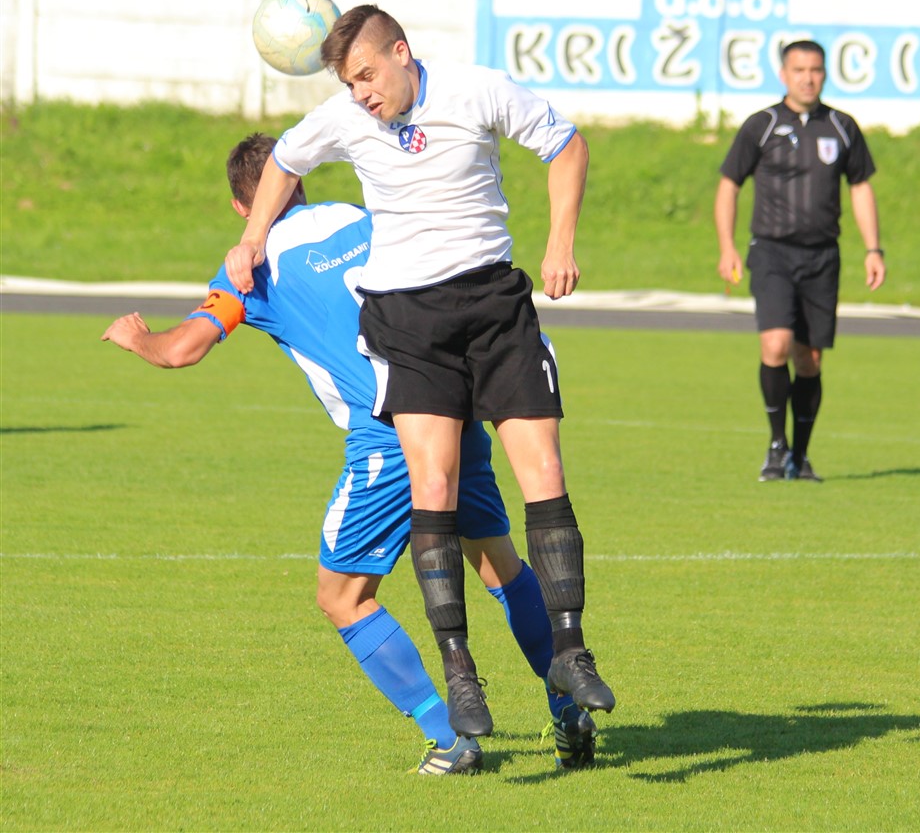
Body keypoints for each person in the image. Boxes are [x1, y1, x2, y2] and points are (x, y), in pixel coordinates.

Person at [102, 133, 598, 774]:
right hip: (453, 407)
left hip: (389, 435)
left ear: (241, 206)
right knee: (497, 562)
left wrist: (136, 337)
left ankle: (451, 739)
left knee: (341, 596)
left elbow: (181, 350)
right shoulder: (362, 219)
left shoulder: (251, 267)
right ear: (298, 183)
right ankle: (568, 708)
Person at [224, 5, 615, 738]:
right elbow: (286, 161)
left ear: (401, 52)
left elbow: (566, 146)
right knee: (434, 492)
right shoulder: (346, 119)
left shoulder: (478, 89)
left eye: (367, 75)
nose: (361, 94)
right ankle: (461, 678)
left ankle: (572, 655)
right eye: (349, 83)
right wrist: (251, 239)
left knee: (545, 475)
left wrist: (561, 241)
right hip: (409, 323)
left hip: (494, 306)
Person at [714, 39, 886, 482]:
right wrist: (727, 247)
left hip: (822, 257)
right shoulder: (762, 125)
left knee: (809, 360)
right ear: (784, 75)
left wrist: (873, 249)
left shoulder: (842, 127)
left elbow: (860, 187)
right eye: (799, 70)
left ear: (824, 74)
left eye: (816, 70)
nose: (808, 78)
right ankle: (777, 446)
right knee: (775, 345)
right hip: (771, 252)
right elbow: (729, 184)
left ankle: (801, 455)